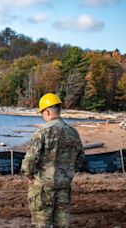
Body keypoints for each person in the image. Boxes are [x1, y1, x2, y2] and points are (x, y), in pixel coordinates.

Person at [20, 93, 85, 228]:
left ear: (48, 111)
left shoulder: (42, 132)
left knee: (41, 223)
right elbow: (81, 158)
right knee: (62, 223)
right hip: (64, 186)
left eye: (42, 113)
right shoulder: (73, 132)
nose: (43, 116)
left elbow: (30, 158)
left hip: (43, 187)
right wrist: (68, 173)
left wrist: (28, 175)